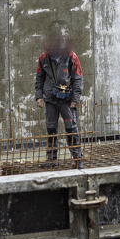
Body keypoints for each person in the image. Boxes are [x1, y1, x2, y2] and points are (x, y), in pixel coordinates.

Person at [35, 25, 84, 165]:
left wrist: (75, 98)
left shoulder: (71, 57)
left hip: (67, 100)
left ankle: (77, 159)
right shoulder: (44, 58)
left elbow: (78, 77)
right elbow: (39, 78)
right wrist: (39, 96)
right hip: (50, 99)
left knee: (71, 129)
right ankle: (51, 160)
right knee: (51, 129)